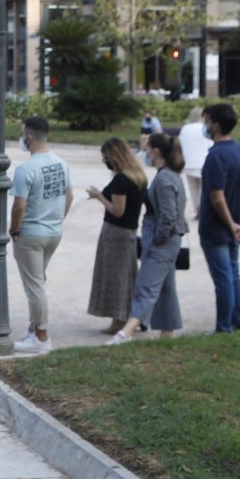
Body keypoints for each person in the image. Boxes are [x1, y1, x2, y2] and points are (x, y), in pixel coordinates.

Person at [112, 132, 189, 343]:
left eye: (146, 150)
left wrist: (157, 240)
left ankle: (126, 332)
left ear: (156, 152)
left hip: (162, 241)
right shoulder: (171, 175)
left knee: (145, 287)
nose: (144, 155)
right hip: (168, 240)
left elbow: (168, 216)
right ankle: (168, 332)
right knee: (166, 287)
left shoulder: (164, 179)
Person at [8, 116, 71, 352]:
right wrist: (56, 220)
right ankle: (34, 329)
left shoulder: (26, 169)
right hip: (53, 231)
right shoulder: (61, 164)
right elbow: (70, 196)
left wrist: (15, 229)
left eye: (22, 133)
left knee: (34, 285)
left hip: (30, 234)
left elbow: (19, 206)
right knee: (38, 281)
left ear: (30, 137)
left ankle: (42, 337)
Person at [198, 102, 240, 333]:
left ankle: (224, 327)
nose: (205, 125)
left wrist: (231, 225)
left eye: (207, 121)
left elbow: (216, 197)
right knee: (233, 273)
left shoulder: (215, 156)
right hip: (237, 228)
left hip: (217, 228)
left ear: (216, 125)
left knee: (223, 278)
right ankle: (237, 321)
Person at [84, 138, 145, 335]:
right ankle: (133, 317)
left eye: (106, 157)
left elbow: (117, 210)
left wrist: (99, 196)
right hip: (129, 232)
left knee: (116, 278)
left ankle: (119, 319)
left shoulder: (121, 180)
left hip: (116, 232)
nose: (105, 161)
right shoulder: (137, 176)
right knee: (127, 277)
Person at [179, 105, 212, 220]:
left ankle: (197, 209)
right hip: (203, 162)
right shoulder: (205, 128)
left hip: (188, 163)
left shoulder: (185, 128)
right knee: (203, 188)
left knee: (193, 188)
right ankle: (202, 209)